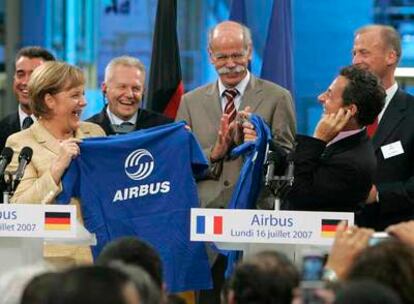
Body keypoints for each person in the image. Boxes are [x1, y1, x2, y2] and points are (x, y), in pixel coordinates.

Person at [176, 20, 296, 304]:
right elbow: (179, 163)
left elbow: (289, 158)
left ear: (250, 52)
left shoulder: (278, 97)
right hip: (207, 228)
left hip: (256, 221)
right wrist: (215, 152)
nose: (231, 64)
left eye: (237, 55)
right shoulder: (190, 102)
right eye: (222, 57)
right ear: (210, 56)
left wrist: (262, 144)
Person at [6, 61, 105, 265]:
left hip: (99, 256)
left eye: (83, 94)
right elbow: (20, 208)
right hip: (53, 263)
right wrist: (56, 168)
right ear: (50, 100)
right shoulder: (21, 143)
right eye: (75, 95)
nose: (84, 102)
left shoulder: (95, 133)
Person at [283, 65, 385, 216]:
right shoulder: (338, 142)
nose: (320, 97)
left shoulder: (352, 163)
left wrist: (317, 140)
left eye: (329, 95)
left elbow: (295, 194)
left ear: (349, 110)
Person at [352, 25, 414, 230]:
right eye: (354, 53)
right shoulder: (343, 113)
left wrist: (378, 194)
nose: (356, 61)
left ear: (391, 57)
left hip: (396, 237)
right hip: (343, 233)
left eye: (364, 53)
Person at [87, 56, 173, 135]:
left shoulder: (164, 129)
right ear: (105, 88)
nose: (130, 95)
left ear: (143, 91)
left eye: (136, 88)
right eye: (122, 87)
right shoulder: (85, 132)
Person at [0, 46, 55, 153]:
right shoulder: (2, 128)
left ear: (52, 81)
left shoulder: (63, 128)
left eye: (34, 75)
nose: (25, 82)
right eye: (20, 74)